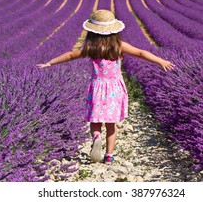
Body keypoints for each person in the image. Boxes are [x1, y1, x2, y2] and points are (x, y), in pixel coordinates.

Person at [36, 9, 174, 165]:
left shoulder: (91, 47)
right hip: (114, 89)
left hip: (97, 88)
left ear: (92, 31)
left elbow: (69, 55)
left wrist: (50, 62)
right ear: (113, 30)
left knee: (95, 121)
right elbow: (141, 53)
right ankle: (109, 156)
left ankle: (96, 137)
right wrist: (160, 61)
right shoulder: (118, 45)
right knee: (111, 124)